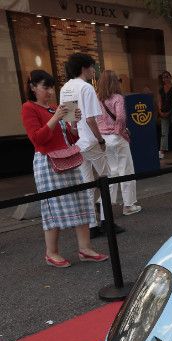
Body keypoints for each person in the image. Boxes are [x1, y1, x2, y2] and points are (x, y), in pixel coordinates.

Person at [22, 70, 108, 267]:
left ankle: (85, 248)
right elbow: (37, 138)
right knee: (53, 206)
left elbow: (70, 138)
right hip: (47, 162)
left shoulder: (54, 108)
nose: (50, 92)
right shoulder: (29, 108)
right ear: (33, 87)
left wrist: (73, 124)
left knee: (81, 200)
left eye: (52, 87)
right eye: (46, 87)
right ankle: (51, 253)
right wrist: (56, 118)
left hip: (66, 157)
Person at [60, 52, 121, 239]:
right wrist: (100, 140)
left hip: (77, 143)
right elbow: (91, 119)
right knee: (107, 179)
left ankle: (92, 225)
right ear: (84, 68)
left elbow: (70, 120)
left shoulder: (65, 88)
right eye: (92, 66)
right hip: (91, 141)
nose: (94, 70)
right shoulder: (86, 88)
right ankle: (106, 220)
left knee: (87, 183)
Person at [96, 70, 141, 216]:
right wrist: (118, 131)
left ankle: (105, 203)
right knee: (126, 170)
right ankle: (128, 205)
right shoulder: (118, 98)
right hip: (117, 138)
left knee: (111, 172)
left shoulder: (97, 98)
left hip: (103, 139)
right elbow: (121, 118)